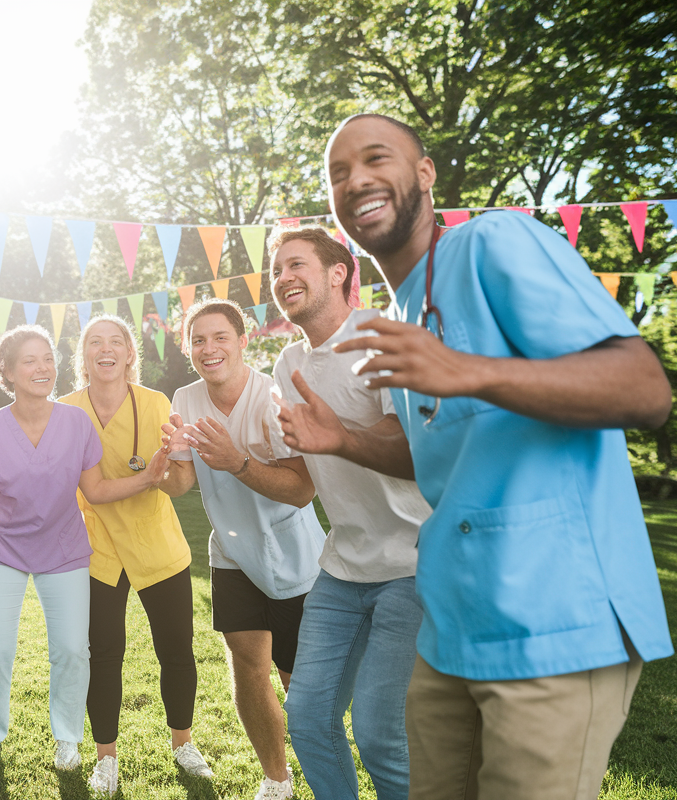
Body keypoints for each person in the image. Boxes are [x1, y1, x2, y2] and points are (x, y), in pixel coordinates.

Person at [294, 113, 673, 800]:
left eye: (376, 158)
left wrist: (469, 371)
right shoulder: (401, 316)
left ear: (425, 174)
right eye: (339, 173)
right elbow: (439, 450)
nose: (357, 179)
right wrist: (343, 441)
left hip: (556, 620)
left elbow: (643, 386)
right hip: (451, 630)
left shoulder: (495, 241)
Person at [0, 325, 170, 771]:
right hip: (1, 548)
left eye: (47, 359)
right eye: (30, 361)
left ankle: (68, 738)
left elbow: (94, 490)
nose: (43, 368)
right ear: (7, 372)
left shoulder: (76, 422)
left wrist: (149, 477)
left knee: (73, 649)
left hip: (63, 549)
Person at [267, 226, 430, 800]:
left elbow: (416, 451)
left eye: (295, 264)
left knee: (380, 733)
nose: (282, 277)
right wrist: (234, 463)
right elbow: (300, 481)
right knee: (307, 718)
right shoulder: (287, 365)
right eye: (276, 269)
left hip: (414, 564)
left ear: (339, 273)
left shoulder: (386, 338)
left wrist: (342, 438)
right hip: (340, 569)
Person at [161, 297, 325, 800]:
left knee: (298, 681)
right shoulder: (185, 399)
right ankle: (276, 778)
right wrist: (158, 465)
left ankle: (323, 770)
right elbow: (182, 482)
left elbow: (302, 490)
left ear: (243, 339)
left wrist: (237, 462)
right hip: (231, 554)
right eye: (198, 340)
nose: (208, 349)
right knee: (249, 666)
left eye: (219, 337)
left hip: (294, 556)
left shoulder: (273, 398)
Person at [59, 315, 211, 797]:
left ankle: (183, 743)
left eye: (115, 342)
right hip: (96, 549)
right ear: (83, 357)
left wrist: (171, 466)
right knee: (103, 655)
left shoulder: (156, 403)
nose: (105, 350)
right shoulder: (65, 410)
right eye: (94, 343)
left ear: (129, 354)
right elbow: (85, 489)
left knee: (176, 649)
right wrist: (148, 477)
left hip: (156, 544)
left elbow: (179, 484)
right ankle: (106, 758)